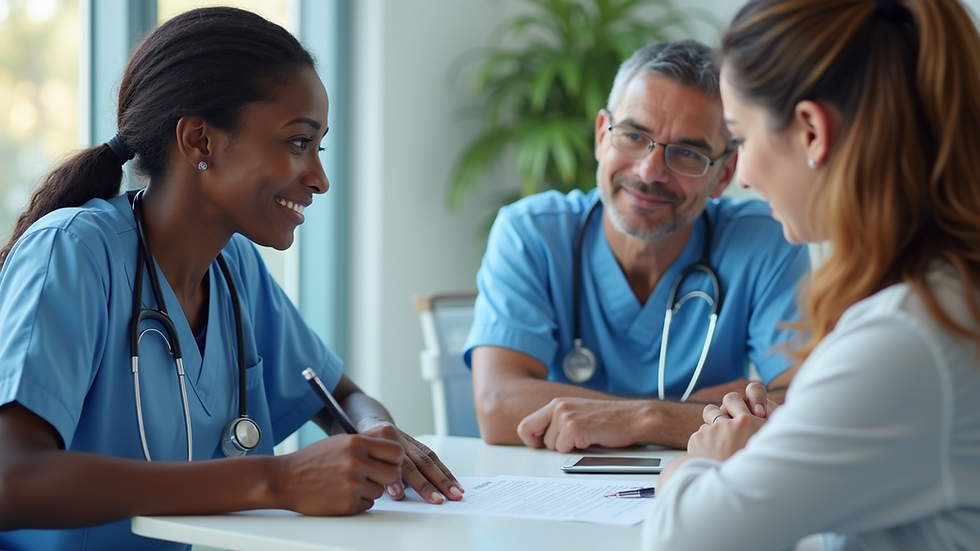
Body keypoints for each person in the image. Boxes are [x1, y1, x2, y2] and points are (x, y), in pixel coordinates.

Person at [0, 7, 463, 551]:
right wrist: (277, 480)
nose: (319, 178)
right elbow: (12, 482)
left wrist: (372, 436)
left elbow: (342, 397)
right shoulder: (75, 251)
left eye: (319, 148)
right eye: (297, 143)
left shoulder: (234, 266)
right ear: (200, 141)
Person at [644, 0, 980, 549]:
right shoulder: (944, 298)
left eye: (741, 138)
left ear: (811, 132)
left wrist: (699, 466)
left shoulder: (908, 337)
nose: (743, 176)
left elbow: (684, 540)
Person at [464, 39, 811, 451]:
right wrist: (696, 411)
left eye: (687, 153)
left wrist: (648, 418)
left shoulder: (765, 242)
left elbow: (804, 409)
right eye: (632, 135)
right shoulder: (531, 233)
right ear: (600, 136)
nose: (649, 172)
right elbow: (499, 406)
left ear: (724, 174)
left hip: (698, 490)